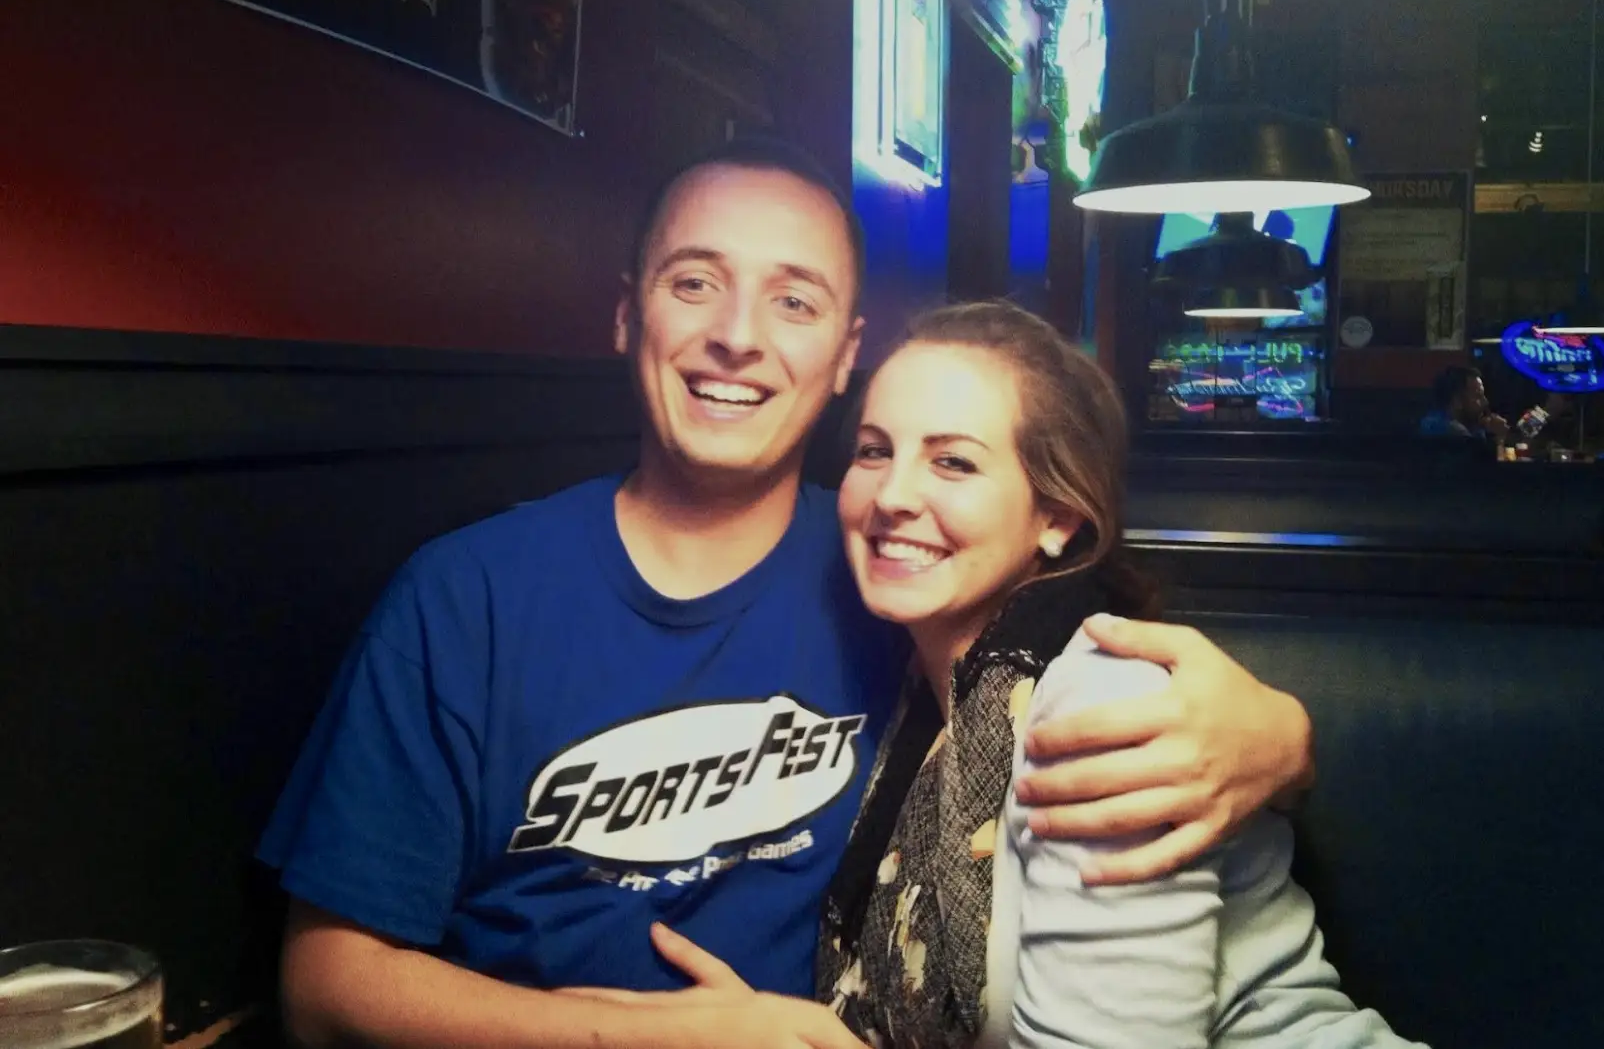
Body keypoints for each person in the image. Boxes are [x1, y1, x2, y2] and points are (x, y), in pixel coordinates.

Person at [258, 140, 1318, 1049]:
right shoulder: (465, 596)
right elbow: (323, 985)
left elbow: (1088, 670)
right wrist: (654, 1035)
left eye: (794, 299)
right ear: (627, 319)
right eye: (692, 282)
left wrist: (1278, 735)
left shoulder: (896, 572)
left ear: (847, 352)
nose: (737, 335)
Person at [792, 299, 1418, 1048]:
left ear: (1056, 517)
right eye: (872, 451)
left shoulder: (1100, 708)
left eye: (952, 461)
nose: (892, 495)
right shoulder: (916, 691)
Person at [1418, 365, 1508, 444]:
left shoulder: (1434, 421)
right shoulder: (1453, 431)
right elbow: (1481, 461)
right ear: (1457, 401)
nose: (1485, 402)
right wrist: (1498, 436)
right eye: (1478, 396)